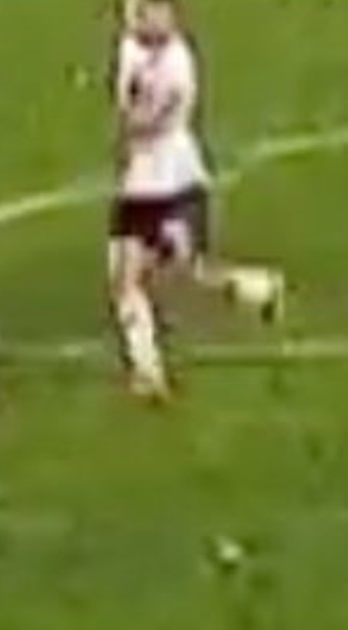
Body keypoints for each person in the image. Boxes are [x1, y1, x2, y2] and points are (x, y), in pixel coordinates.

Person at [109, 0, 285, 399]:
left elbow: (150, 121)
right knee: (182, 272)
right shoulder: (131, 47)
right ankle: (258, 288)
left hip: (163, 182)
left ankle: (147, 372)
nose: (138, 17)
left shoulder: (178, 66)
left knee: (131, 280)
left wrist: (131, 127)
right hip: (164, 179)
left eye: (150, 11)